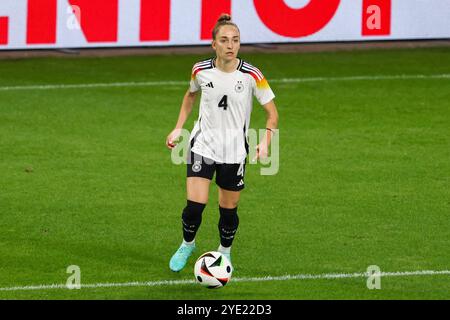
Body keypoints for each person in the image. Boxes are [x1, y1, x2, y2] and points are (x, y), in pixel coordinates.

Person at [166, 14, 279, 272]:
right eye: (225, 40)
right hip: (202, 146)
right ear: (213, 43)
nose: (231, 45)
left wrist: (266, 142)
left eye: (235, 41)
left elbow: (272, 113)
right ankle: (187, 244)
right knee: (195, 206)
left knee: (228, 210)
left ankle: (224, 253)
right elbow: (190, 96)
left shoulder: (252, 74)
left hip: (234, 151)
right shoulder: (200, 70)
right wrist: (178, 128)